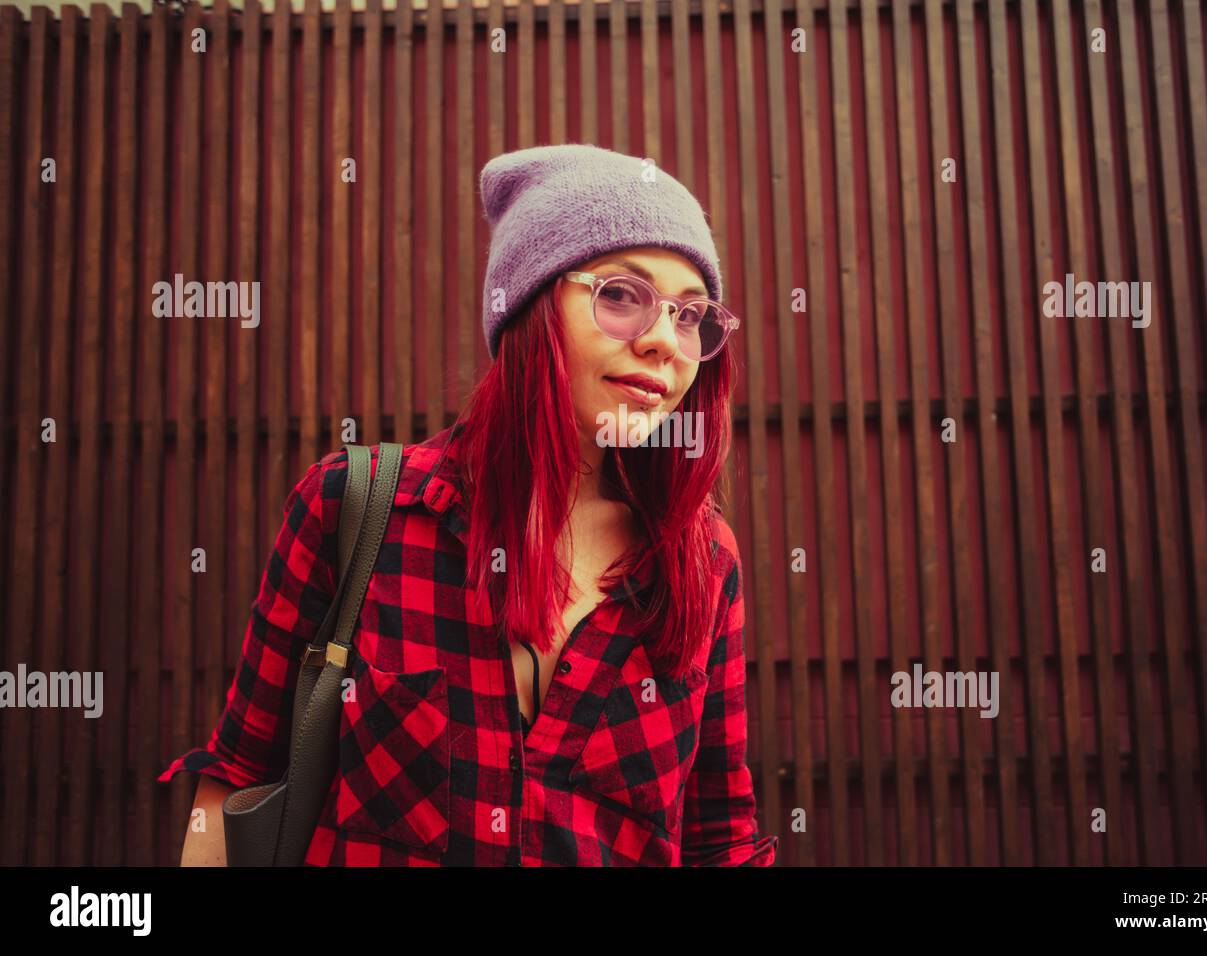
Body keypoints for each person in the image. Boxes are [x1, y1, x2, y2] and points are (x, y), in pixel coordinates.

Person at [159, 143, 779, 867]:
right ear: (530, 308)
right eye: (619, 295)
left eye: (689, 316)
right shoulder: (358, 509)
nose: (663, 343)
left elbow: (719, 837)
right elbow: (239, 775)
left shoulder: (701, 560)